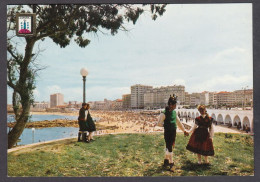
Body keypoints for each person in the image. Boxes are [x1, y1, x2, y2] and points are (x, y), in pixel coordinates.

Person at [156, 94, 189, 172]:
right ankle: (171, 164)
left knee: (170, 146)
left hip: (173, 132)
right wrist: (166, 125)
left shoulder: (174, 113)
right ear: (170, 104)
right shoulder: (163, 113)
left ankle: (166, 161)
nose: (175, 106)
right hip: (167, 132)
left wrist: (184, 130)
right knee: (169, 147)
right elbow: (159, 123)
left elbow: (178, 122)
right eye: (174, 104)